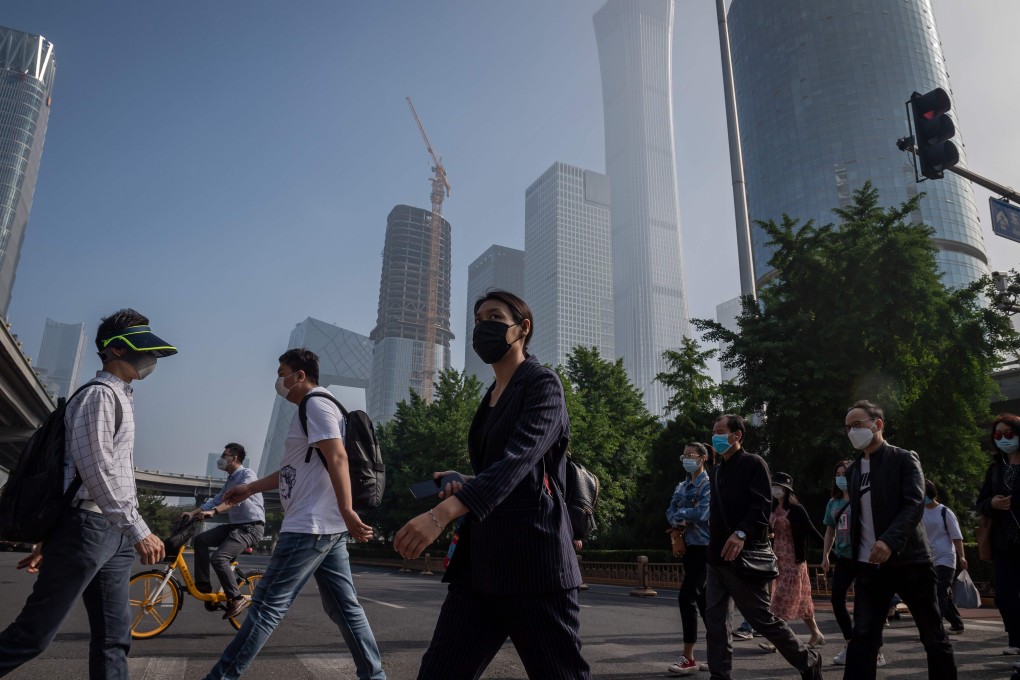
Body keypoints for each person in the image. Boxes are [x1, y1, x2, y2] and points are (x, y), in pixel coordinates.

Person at [393, 290, 590, 680]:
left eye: (495, 317)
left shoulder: (542, 384)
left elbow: (519, 461)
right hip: (480, 568)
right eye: (479, 319)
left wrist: (440, 514)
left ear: (522, 328)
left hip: (534, 565)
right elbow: (506, 471)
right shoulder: (490, 398)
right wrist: (463, 481)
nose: (484, 326)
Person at [0, 309, 176, 678]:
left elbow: (101, 475)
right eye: (142, 350)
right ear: (113, 350)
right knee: (32, 636)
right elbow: (96, 471)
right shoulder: (98, 396)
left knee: (115, 638)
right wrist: (139, 529)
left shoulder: (123, 397)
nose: (149, 359)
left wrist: (127, 530)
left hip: (109, 532)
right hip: (90, 528)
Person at [201, 349, 384, 680]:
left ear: (300, 375)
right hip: (323, 527)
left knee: (265, 609)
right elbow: (292, 470)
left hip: (309, 526)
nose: (278, 379)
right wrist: (251, 487)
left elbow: (338, 457)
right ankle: (374, 676)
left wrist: (346, 510)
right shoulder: (311, 409)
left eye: (282, 372)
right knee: (344, 608)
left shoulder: (316, 403)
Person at [841, 400, 956, 680]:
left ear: (877, 424)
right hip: (870, 566)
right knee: (863, 637)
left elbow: (914, 503)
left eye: (858, 425)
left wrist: (889, 541)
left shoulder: (903, 458)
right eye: (848, 428)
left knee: (932, 635)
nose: (852, 431)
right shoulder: (854, 470)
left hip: (911, 562)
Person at [702, 414, 823, 680]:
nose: (715, 437)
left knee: (762, 620)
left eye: (721, 431)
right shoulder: (717, 471)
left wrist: (741, 533)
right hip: (715, 558)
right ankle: (719, 674)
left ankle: (809, 661)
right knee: (715, 624)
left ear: (738, 435)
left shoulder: (754, 463)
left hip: (743, 557)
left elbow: (760, 506)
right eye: (713, 432)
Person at [182, 443, 266, 619]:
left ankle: (237, 598)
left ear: (234, 458)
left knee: (219, 558)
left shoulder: (247, 475)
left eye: (224, 455)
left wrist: (214, 512)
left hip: (251, 526)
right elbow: (215, 500)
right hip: (236, 526)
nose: (221, 459)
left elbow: (237, 499)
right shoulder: (230, 480)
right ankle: (204, 585)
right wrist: (193, 512)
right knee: (200, 540)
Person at [822, 460, 887, 667]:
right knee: (836, 600)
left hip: (864, 558)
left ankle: (876, 650)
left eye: (845, 474)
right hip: (844, 558)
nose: (841, 478)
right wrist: (825, 555)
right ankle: (851, 643)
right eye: (838, 474)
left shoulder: (862, 500)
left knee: (865, 605)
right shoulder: (833, 503)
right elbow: (830, 530)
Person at [759, 472, 825, 653]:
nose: (776, 490)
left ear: (787, 490)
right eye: (774, 486)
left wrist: (828, 553)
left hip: (793, 562)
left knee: (779, 600)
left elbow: (812, 531)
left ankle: (777, 640)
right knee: (803, 602)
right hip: (777, 558)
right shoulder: (771, 508)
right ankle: (816, 633)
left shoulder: (797, 510)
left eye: (779, 487)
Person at [665, 442, 712, 675]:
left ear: (702, 458)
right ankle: (716, 655)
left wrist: (680, 517)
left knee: (687, 598)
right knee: (704, 604)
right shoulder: (682, 486)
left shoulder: (707, 485)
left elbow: (702, 513)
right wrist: (682, 517)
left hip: (705, 547)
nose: (686, 459)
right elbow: (669, 512)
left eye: (690, 455)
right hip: (689, 547)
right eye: (683, 455)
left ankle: (688, 657)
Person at [977, 413, 1020, 656]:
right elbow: (981, 501)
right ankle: (1015, 637)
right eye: (998, 435)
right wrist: (992, 503)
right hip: (1004, 542)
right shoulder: (995, 469)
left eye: (1008, 434)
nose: (1003, 439)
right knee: (1004, 596)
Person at [921, 479, 967, 634]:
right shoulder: (919, 511)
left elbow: (956, 536)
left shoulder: (944, 511)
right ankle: (957, 623)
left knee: (939, 591)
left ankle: (935, 626)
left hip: (946, 558)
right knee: (943, 593)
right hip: (928, 558)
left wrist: (962, 557)